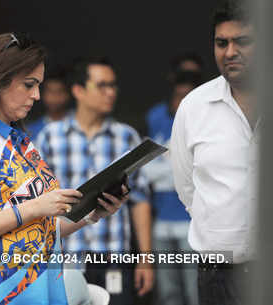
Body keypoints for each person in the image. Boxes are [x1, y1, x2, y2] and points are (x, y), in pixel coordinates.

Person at [0, 32, 130, 305]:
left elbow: (36, 232)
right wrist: (36, 207)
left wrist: (91, 214)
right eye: (29, 85)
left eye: (38, 84)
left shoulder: (21, 144)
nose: (37, 95)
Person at [35, 56, 154, 305]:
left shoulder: (126, 136)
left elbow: (140, 200)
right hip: (65, 256)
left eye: (113, 85)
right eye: (102, 85)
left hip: (113, 256)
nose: (110, 92)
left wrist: (145, 258)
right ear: (78, 90)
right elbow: (38, 202)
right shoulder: (49, 137)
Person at [169, 1, 258, 304]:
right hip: (218, 274)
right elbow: (186, 186)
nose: (230, 51)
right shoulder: (194, 107)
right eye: (222, 43)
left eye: (242, 41)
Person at [142, 70, 203, 305]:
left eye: (187, 96)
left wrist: (168, 166)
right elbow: (147, 172)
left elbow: (193, 173)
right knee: (167, 296)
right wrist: (176, 167)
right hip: (162, 223)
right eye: (177, 96)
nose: (181, 102)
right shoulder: (157, 117)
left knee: (195, 293)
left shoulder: (206, 124)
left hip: (191, 222)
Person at [26, 69, 71, 140]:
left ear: (67, 95)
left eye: (59, 92)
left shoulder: (79, 125)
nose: (54, 97)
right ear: (42, 94)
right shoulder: (31, 131)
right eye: (50, 92)